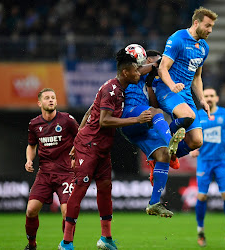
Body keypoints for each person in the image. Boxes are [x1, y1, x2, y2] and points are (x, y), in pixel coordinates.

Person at [58, 47, 154, 250]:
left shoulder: (119, 86)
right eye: (136, 71)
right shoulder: (112, 89)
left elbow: (88, 112)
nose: (139, 73)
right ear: (126, 72)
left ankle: (106, 239)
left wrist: (158, 64)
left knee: (105, 189)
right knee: (80, 189)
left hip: (101, 148)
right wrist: (136, 119)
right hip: (89, 146)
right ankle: (66, 242)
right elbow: (103, 121)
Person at [120, 49, 185, 218]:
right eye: (155, 61)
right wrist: (159, 63)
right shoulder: (131, 71)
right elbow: (141, 69)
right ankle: (171, 142)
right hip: (129, 115)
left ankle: (154, 203)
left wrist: (149, 85)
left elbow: (155, 105)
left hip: (142, 124)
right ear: (147, 59)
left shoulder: (148, 81)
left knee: (163, 154)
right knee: (155, 112)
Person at [153, 7, 218, 159]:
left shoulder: (204, 48)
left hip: (186, 95)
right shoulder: (178, 39)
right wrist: (172, 85)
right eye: (207, 26)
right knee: (188, 115)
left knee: (197, 141)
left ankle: (168, 158)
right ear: (196, 23)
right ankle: (160, 145)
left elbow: (197, 77)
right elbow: (162, 68)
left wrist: (202, 99)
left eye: (212, 27)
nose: (210, 30)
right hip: (167, 90)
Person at [24, 88, 79, 250]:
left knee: (67, 212)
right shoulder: (34, 124)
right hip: (45, 174)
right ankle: (32, 244)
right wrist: (29, 160)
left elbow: (81, 139)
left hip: (66, 174)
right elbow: (31, 146)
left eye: (53, 98)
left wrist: (77, 156)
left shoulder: (67, 120)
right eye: (47, 98)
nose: (51, 100)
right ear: (40, 103)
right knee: (31, 211)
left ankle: (67, 244)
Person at [189, 87, 225, 247]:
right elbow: (187, 132)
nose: (209, 98)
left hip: (221, 162)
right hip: (204, 161)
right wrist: (191, 147)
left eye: (212, 95)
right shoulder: (197, 115)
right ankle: (200, 232)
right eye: (206, 96)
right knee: (202, 197)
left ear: (217, 98)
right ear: (202, 98)